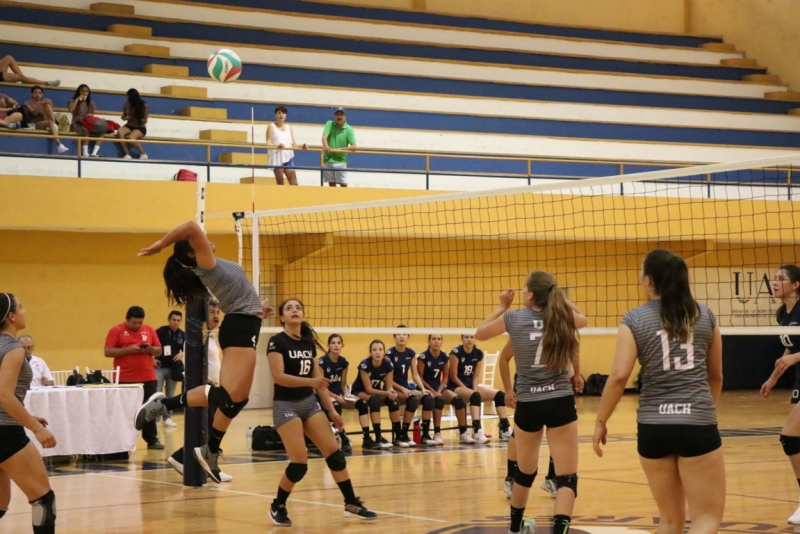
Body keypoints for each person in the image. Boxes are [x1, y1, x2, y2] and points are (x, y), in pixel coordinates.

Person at [593, 249, 724, 534]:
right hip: (697, 423)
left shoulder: (634, 319)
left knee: (669, 521)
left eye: (641, 271)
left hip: (654, 426)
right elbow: (715, 375)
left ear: (649, 280)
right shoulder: (705, 316)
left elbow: (619, 376)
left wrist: (601, 421)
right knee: (706, 519)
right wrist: (704, 412)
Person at [135, 220, 270, 483]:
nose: (207, 240)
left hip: (247, 323)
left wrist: (257, 308)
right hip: (240, 327)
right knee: (228, 395)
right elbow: (191, 226)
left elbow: (238, 295)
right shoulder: (206, 263)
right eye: (202, 242)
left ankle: (204, 451)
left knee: (237, 399)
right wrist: (160, 244)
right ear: (192, 253)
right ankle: (164, 404)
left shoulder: (210, 264)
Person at [476, 271, 587, 534]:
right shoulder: (563, 316)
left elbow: (480, 333)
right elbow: (582, 317)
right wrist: (559, 297)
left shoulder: (513, 317)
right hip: (560, 401)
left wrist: (502, 306)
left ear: (530, 294)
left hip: (529, 403)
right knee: (567, 477)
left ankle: (515, 529)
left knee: (524, 473)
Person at [266, 299, 377, 525]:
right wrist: (312, 382)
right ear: (282, 318)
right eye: (289, 308)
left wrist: (332, 411)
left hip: (308, 403)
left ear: (303, 315)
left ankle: (351, 503)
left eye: (298, 308)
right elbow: (279, 377)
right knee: (299, 463)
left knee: (334, 454)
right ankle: (278, 505)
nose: (295, 311)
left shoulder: (308, 343)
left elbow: (320, 383)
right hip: (286, 405)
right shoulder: (276, 342)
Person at [0, 293, 57, 533]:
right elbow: (4, 395)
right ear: (11, 316)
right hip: (5, 433)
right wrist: (37, 428)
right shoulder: (13, 348)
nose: (25, 311)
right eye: (21, 307)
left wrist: (27, 416)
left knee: (0, 503)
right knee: (43, 500)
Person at [167, 299, 232, 483]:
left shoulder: (211, 336)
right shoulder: (198, 334)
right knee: (208, 430)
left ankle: (185, 459)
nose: (216, 316)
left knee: (209, 430)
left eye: (218, 313)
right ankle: (185, 459)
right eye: (212, 312)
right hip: (202, 388)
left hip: (213, 388)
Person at [760, 263, 800, 524]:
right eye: (774, 278)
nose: (774, 282)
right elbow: (789, 349)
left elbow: (794, 354)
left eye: (781, 278)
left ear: (796, 285)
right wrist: (772, 378)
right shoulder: (783, 314)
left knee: (789, 436)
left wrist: (795, 357)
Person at [104, 305, 164, 450]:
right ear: (127, 320)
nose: (137, 325)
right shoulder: (116, 330)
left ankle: (152, 440)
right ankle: (123, 440)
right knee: (125, 411)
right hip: (125, 378)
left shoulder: (149, 330)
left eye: (140, 322)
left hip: (148, 377)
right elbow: (108, 351)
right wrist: (128, 350)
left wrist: (150, 349)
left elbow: (159, 350)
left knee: (150, 409)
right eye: (134, 322)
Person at [447, 334, 512, 444]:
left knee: (500, 395)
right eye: (466, 337)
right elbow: (453, 376)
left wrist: (474, 389)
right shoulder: (456, 353)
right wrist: (468, 390)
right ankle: (477, 431)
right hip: (456, 387)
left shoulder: (478, 353)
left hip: (470, 386)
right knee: (475, 395)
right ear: (462, 339)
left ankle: (504, 429)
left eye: (472, 337)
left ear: (475, 339)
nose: (469, 340)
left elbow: (476, 376)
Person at [418, 334, 471, 445]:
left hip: (439, 388)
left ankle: (463, 432)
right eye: (434, 339)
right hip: (425, 388)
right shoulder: (423, 357)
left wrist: (439, 390)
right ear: (429, 341)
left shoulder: (444, 357)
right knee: (439, 400)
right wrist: (433, 392)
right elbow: (420, 378)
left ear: (442, 342)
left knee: (459, 401)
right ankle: (437, 433)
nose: (436, 341)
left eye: (439, 339)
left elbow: (446, 377)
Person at [350, 340, 397, 450]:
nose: (377, 352)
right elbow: (369, 390)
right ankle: (376, 436)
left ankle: (399, 436)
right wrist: (386, 393)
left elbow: (389, 386)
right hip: (359, 392)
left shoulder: (388, 364)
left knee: (394, 401)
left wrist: (392, 392)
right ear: (370, 352)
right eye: (374, 350)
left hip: (376, 392)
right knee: (374, 400)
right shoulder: (364, 365)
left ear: (384, 352)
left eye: (380, 350)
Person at [386, 326, 424, 447]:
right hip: (391, 388)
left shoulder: (410, 353)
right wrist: (402, 388)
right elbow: (387, 378)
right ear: (394, 337)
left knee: (417, 399)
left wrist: (423, 388)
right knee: (394, 401)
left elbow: (415, 374)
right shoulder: (389, 354)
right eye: (399, 334)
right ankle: (398, 436)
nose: (402, 336)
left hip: (404, 389)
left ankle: (404, 434)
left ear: (408, 337)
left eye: (404, 334)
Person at [317, 334, 354, 452]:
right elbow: (321, 387)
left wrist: (346, 394)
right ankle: (343, 437)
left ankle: (368, 437)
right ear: (328, 345)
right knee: (335, 405)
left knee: (361, 404)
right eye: (333, 343)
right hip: (324, 394)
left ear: (342, 345)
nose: (336, 345)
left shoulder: (344, 362)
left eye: (338, 343)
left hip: (338, 394)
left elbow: (343, 384)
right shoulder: (322, 361)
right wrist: (336, 397)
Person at [155, 310, 185, 428]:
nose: (176, 322)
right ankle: (156, 419)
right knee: (157, 393)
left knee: (170, 394)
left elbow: (188, 348)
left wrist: (182, 354)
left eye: (178, 320)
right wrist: (152, 360)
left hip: (173, 369)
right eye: (174, 320)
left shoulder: (182, 335)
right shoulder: (160, 331)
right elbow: (151, 345)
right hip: (159, 367)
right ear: (169, 320)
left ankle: (168, 418)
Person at [267, 105, 307, 186]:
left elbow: (293, 144)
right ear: (276, 115)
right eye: (279, 113)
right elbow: (268, 142)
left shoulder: (289, 127)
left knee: (294, 182)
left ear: (286, 115)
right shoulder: (271, 126)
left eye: (283, 113)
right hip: (277, 156)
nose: (281, 115)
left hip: (288, 157)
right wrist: (277, 146)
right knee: (280, 183)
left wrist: (302, 146)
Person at [23, 86, 68, 154]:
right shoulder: (27, 103)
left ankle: (54, 125)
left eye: (40, 93)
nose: (38, 95)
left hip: (45, 120)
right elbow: (34, 113)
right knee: (50, 122)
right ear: (31, 94)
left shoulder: (44, 103)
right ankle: (59, 144)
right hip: (35, 123)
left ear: (42, 94)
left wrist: (50, 104)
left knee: (47, 105)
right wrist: (42, 103)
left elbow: (50, 112)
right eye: (35, 93)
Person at [321, 107, 356, 187]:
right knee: (331, 183)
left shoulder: (349, 129)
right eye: (337, 115)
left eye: (341, 115)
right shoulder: (329, 124)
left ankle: (345, 195)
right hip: (328, 159)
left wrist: (339, 149)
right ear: (334, 116)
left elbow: (354, 147)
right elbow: (324, 138)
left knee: (343, 183)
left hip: (341, 160)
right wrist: (326, 146)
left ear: (345, 117)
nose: (339, 117)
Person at [68, 84, 103, 157]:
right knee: (85, 130)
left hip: (86, 122)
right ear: (79, 92)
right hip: (76, 123)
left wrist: (88, 116)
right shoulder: (73, 101)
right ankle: (85, 153)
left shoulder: (91, 103)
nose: (84, 93)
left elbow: (91, 115)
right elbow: (71, 110)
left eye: (86, 91)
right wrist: (77, 100)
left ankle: (94, 153)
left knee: (102, 131)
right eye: (82, 91)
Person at [118, 88, 148, 160]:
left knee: (131, 138)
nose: (128, 99)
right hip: (129, 125)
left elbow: (145, 120)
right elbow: (124, 114)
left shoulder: (143, 105)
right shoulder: (126, 103)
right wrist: (123, 117)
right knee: (120, 132)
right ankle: (127, 154)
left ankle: (143, 153)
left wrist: (132, 118)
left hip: (140, 127)